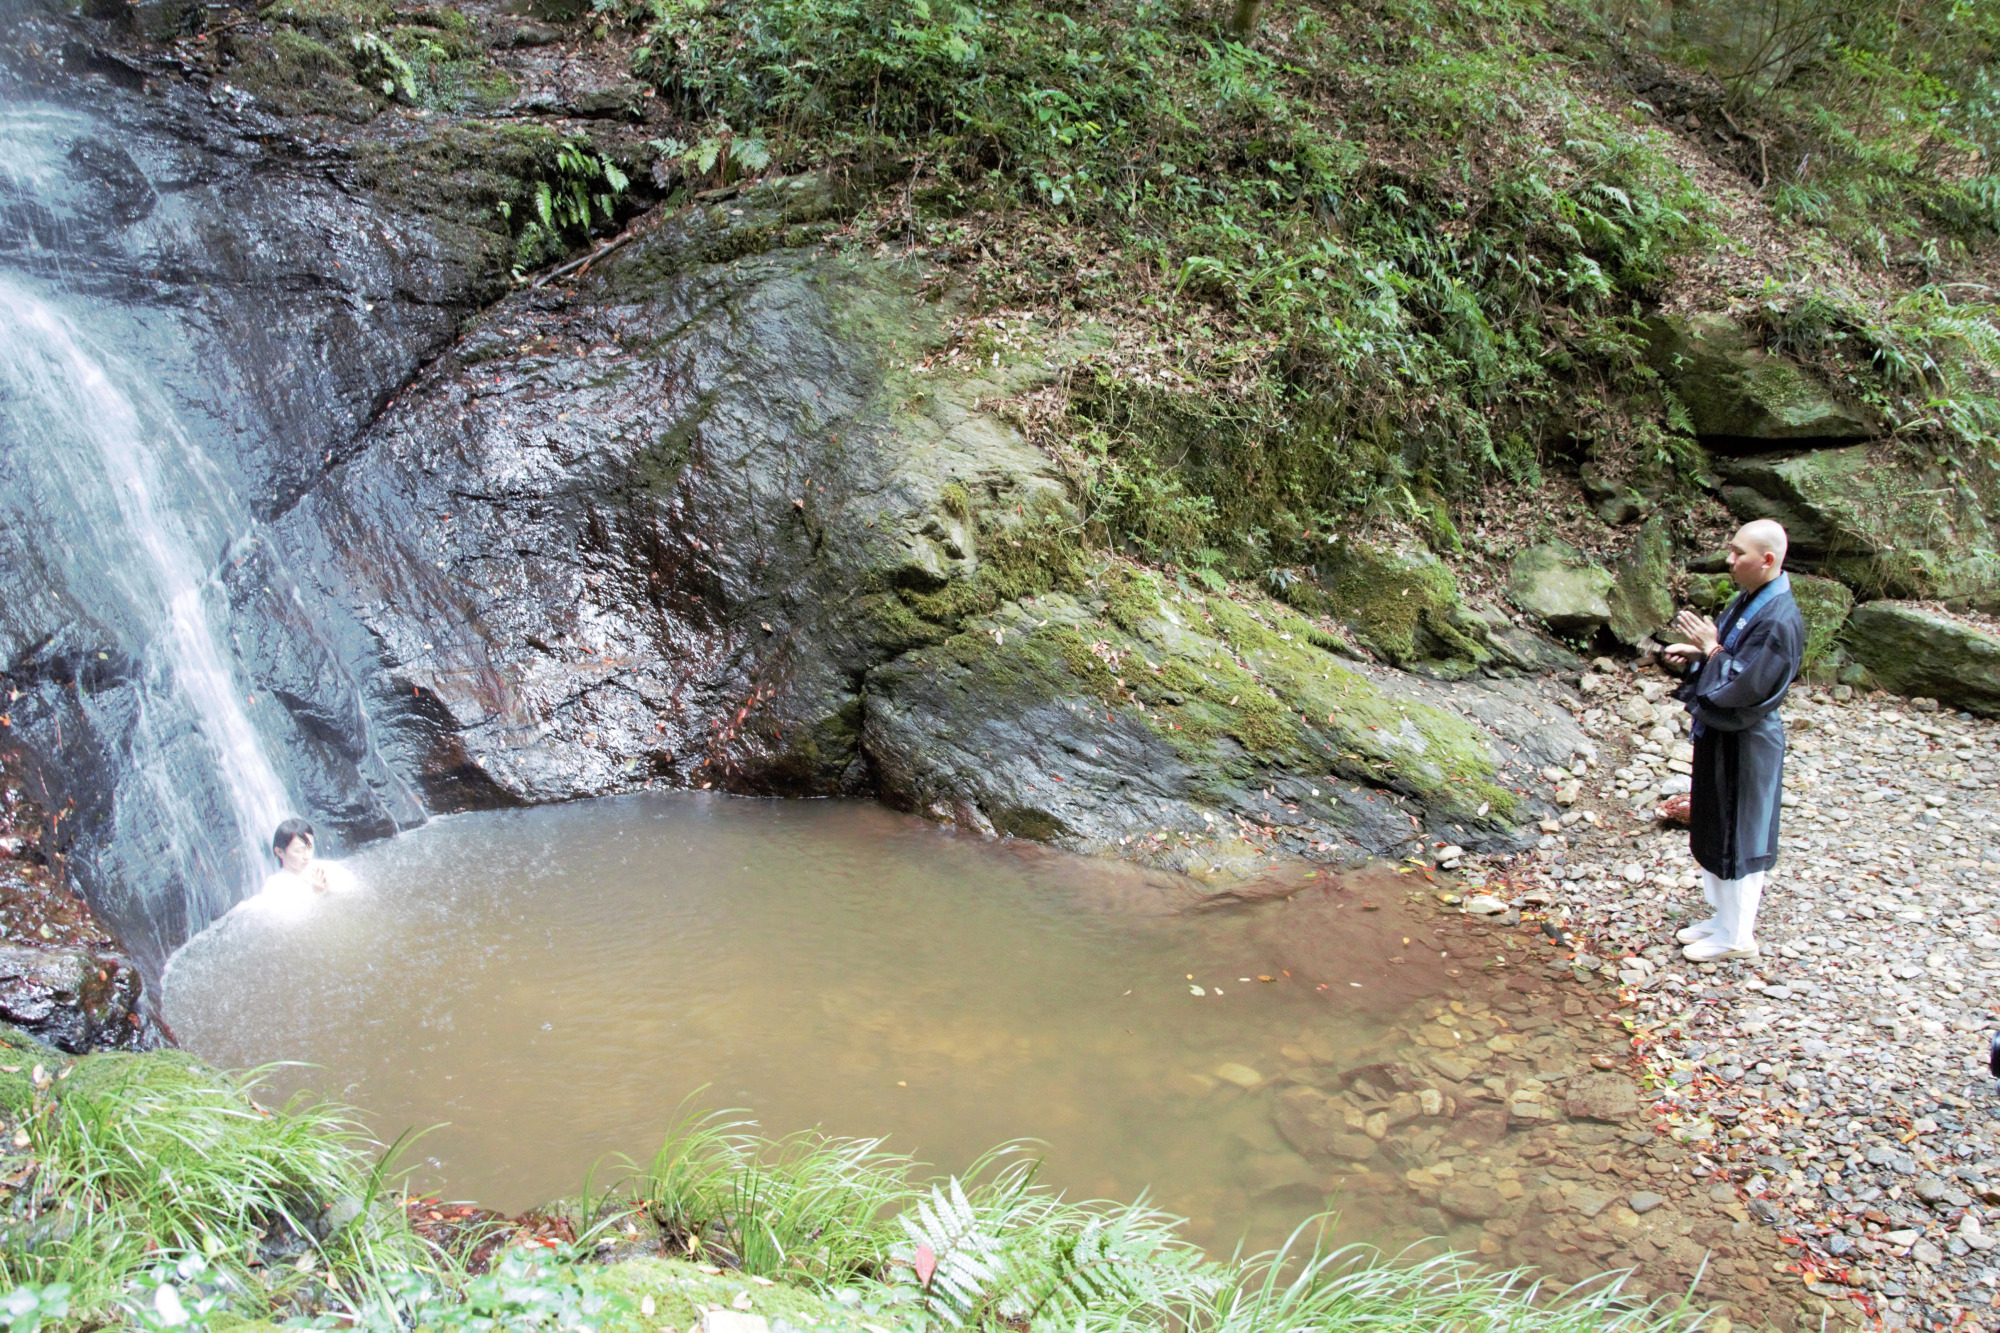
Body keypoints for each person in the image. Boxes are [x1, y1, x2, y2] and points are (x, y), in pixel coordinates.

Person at [1660, 519, 1805, 963]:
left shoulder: (1780, 617)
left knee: (1740, 836)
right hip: (1724, 735)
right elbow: (1731, 657)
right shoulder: (1752, 597)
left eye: (1739, 553)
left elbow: (1748, 686)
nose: (1730, 559)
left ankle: (1739, 935)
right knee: (1714, 825)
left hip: (1748, 740)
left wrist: (1715, 651)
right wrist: (1703, 653)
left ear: (1767, 560)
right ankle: (1723, 920)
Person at [262, 817, 355, 897]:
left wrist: (328, 890)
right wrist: (317, 893)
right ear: (279, 852)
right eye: (298, 850)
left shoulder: (328, 868)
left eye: (310, 848)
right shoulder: (275, 885)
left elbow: (353, 891)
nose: (307, 856)